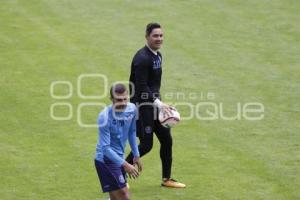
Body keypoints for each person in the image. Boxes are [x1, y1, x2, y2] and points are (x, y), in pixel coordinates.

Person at [126, 22, 186, 188]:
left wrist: (160, 103)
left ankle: (166, 179)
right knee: (146, 145)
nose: (159, 39)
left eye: (161, 35)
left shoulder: (157, 56)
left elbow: (153, 85)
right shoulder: (142, 59)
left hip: (154, 104)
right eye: (155, 36)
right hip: (142, 106)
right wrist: (158, 103)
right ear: (147, 37)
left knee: (167, 140)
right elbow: (141, 86)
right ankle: (119, 171)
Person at [95, 83, 142, 200]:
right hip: (106, 160)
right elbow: (105, 148)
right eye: (119, 100)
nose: (123, 103)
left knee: (116, 197)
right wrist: (126, 164)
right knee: (124, 196)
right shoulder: (104, 117)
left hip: (119, 158)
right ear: (111, 99)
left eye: (125, 99)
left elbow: (132, 132)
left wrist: (136, 154)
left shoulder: (132, 109)